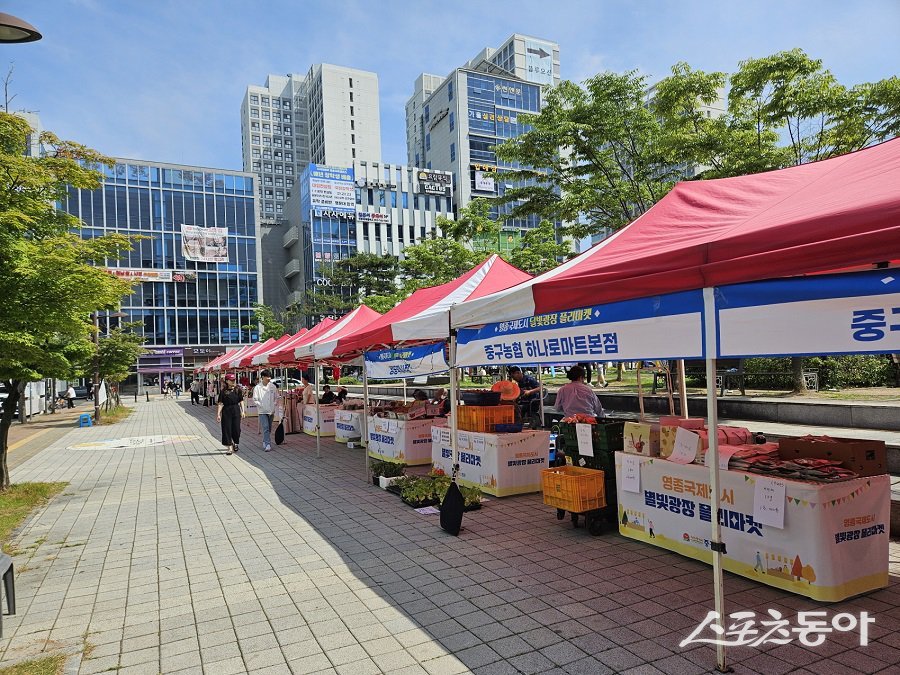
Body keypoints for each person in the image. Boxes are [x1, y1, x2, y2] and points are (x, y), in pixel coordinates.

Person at [216, 373, 245, 455]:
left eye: (234, 380)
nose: (233, 382)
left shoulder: (238, 390)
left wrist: (243, 411)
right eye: (231, 380)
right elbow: (220, 403)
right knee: (226, 429)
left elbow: (241, 401)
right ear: (227, 381)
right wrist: (218, 414)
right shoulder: (223, 392)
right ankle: (229, 447)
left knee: (236, 429)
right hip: (226, 411)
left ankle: (235, 443)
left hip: (236, 410)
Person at [253, 369, 278, 452]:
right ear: (263, 377)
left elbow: (276, 397)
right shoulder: (257, 388)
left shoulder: (273, 387)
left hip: (271, 410)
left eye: (270, 377)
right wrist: (260, 405)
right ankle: (268, 444)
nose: (269, 378)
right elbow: (255, 399)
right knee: (266, 427)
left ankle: (264, 440)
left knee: (269, 428)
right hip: (262, 411)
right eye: (267, 377)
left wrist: (274, 403)